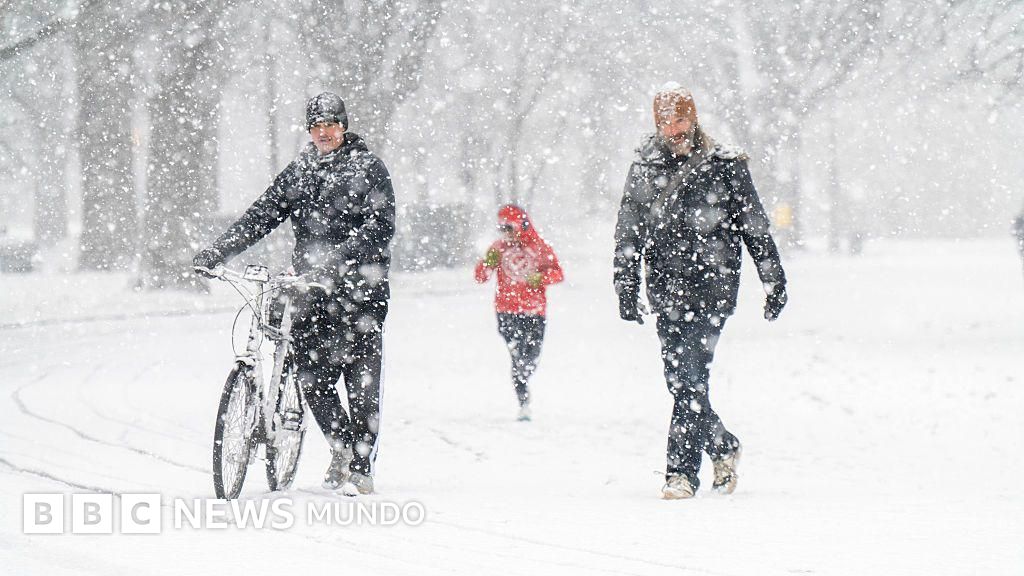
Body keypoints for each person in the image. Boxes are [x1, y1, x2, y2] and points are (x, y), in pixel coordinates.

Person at [193, 91, 395, 496]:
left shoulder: (369, 169)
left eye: (332, 125)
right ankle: (340, 446)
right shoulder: (300, 172)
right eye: (317, 127)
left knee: (361, 383)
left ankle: (360, 466)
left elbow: (380, 228)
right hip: (310, 292)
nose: (324, 133)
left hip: (360, 295)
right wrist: (219, 250)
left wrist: (337, 262)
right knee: (312, 378)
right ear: (309, 131)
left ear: (344, 126)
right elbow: (261, 215)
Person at [613, 84, 787, 499]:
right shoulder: (645, 169)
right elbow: (628, 230)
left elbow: (754, 226)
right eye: (664, 122)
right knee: (681, 381)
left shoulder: (725, 166)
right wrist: (625, 283)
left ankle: (681, 473)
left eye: (679, 119)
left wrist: (773, 279)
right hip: (666, 289)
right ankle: (723, 445)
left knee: (690, 377)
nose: (673, 129)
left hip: (713, 286)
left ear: (694, 118)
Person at [475, 204, 564, 421]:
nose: (505, 233)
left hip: (534, 312)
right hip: (506, 311)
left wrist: (540, 278)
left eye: (509, 228)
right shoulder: (498, 248)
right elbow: (480, 276)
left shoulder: (539, 247)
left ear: (521, 226)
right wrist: (488, 263)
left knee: (530, 357)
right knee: (517, 356)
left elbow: (558, 273)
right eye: (501, 228)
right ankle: (523, 399)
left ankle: (523, 380)